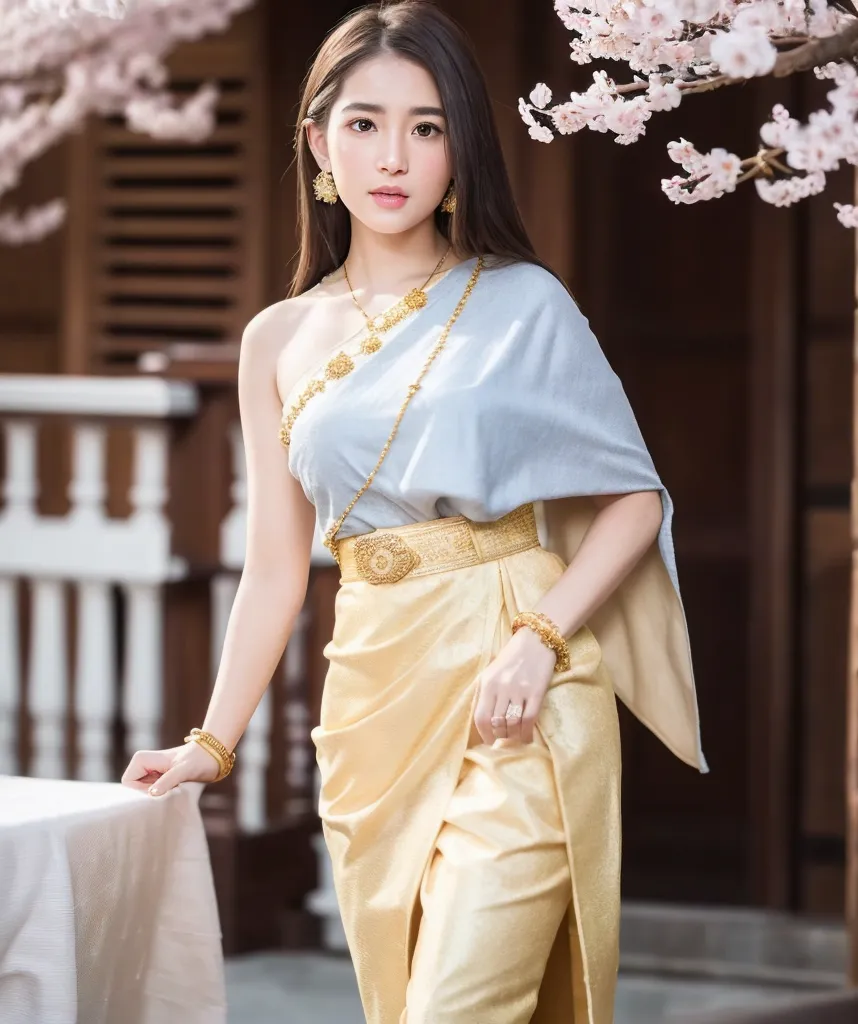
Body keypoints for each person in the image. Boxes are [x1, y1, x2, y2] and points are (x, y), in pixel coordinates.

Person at [121, 2, 707, 1021]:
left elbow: (634, 500)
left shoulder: (523, 301)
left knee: (457, 1006)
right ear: (316, 142)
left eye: (427, 127)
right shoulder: (275, 339)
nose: (394, 155)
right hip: (372, 690)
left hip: (517, 682)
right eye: (364, 123)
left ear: (460, 152)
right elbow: (273, 564)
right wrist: (209, 744)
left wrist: (539, 639)